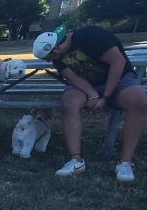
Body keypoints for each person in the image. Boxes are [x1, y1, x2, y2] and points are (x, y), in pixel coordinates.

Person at [33, 24, 147, 182]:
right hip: (87, 85)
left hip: (119, 79)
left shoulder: (91, 35)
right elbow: (73, 78)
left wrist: (106, 97)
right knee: (69, 101)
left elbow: (118, 62)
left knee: (140, 100)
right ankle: (76, 160)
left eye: (48, 58)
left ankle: (125, 163)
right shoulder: (58, 57)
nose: (49, 61)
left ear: (56, 49)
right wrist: (93, 95)